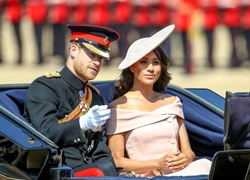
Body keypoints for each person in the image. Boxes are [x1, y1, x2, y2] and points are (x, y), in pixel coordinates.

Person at [106, 24, 211, 178]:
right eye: (144, 62)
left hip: (183, 172)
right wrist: (157, 163)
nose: (151, 68)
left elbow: (188, 152)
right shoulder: (119, 107)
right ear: (132, 67)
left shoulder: (172, 101)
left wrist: (185, 158)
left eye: (155, 62)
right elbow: (117, 161)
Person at [23, 24, 120, 177]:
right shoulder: (46, 87)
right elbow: (44, 134)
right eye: (91, 54)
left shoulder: (95, 98)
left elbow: (101, 151)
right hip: (58, 171)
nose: (97, 62)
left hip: (92, 171)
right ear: (73, 50)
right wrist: (82, 124)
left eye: (101, 57)